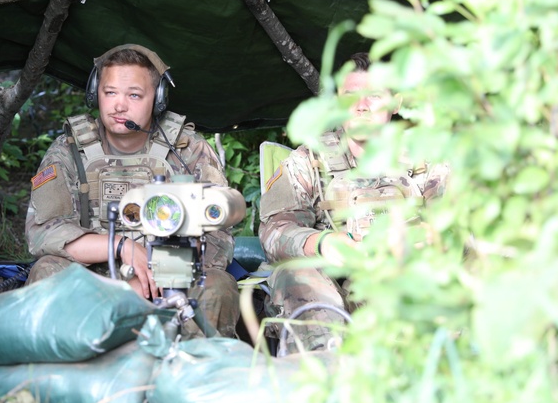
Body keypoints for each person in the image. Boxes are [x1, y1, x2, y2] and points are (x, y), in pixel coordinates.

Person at [24, 44, 240, 338]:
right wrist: (121, 248)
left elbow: (218, 237)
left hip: (171, 277)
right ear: (95, 93)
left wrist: (157, 277)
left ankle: (193, 373)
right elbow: (43, 233)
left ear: (158, 99)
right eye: (110, 92)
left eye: (134, 95)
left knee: (217, 284)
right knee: (47, 270)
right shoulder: (69, 150)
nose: (119, 105)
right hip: (92, 278)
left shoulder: (188, 150)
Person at [258, 52, 449, 353]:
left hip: (407, 284)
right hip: (335, 290)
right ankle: (323, 381)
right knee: (294, 274)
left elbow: (464, 223)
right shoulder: (310, 161)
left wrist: (429, 235)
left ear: (396, 103)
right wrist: (324, 244)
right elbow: (273, 231)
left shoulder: (424, 161)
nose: (361, 106)